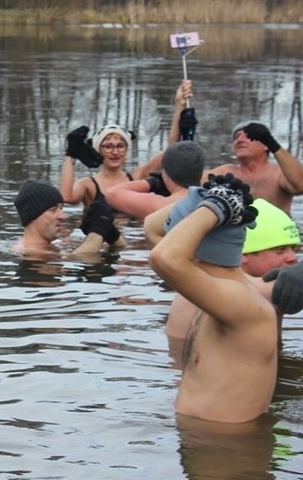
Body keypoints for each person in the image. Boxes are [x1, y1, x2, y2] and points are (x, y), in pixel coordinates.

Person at [147, 173, 280, 423]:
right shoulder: (213, 292)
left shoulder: (241, 303)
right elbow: (151, 227)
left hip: (224, 454)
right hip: (203, 444)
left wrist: (214, 207)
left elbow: (163, 257)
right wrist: (203, 201)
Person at [153, 197, 300, 342]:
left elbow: (151, 226)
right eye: (280, 250)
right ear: (242, 253)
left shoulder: (191, 279)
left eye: (293, 249)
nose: (293, 258)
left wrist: (205, 201)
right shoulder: (256, 292)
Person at [204, 119, 303, 214]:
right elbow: (190, 184)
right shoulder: (226, 172)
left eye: (248, 136)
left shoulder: (279, 173)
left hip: (276, 230)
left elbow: (300, 185)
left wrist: (273, 144)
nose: (240, 140)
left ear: (266, 145)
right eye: (237, 137)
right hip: (240, 230)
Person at [59, 123, 158, 212]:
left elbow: (169, 154)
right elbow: (66, 197)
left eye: (120, 146)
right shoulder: (88, 184)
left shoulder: (137, 177)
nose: (115, 152)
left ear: (127, 149)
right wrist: (71, 153)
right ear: (98, 150)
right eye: (108, 147)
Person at [12, 180, 122, 256]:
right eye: (53, 209)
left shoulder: (57, 244)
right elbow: (80, 259)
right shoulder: (30, 252)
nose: (62, 216)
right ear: (32, 216)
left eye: (61, 208)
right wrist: (97, 232)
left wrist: (110, 231)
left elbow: (121, 248)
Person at [105, 141, 206, 220]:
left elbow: (111, 193)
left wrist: (151, 183)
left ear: (166, 172)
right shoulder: (211, 199)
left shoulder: (163, 206)